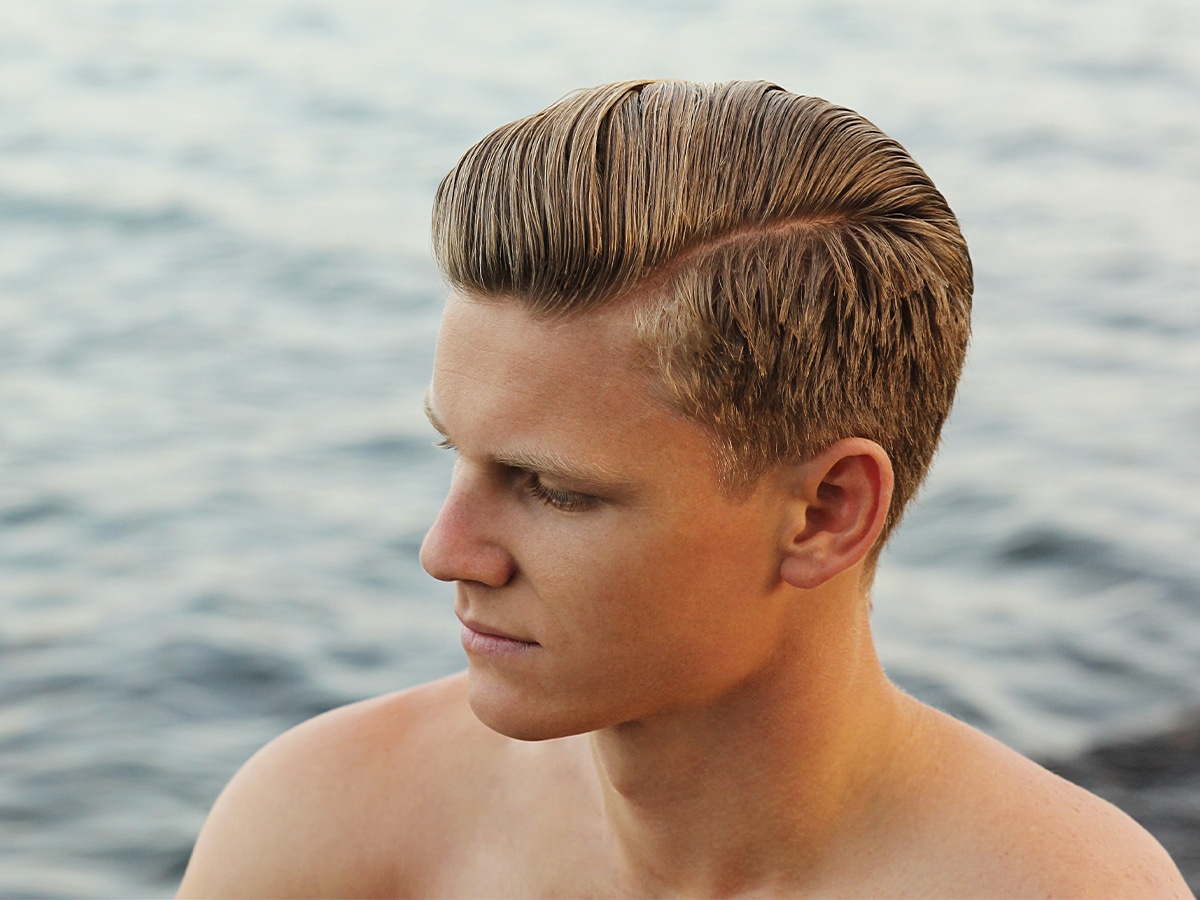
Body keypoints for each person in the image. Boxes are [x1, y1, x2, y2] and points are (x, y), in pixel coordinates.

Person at [177, 79, 1190, 898]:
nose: (448, 550)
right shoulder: (328, 828)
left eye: (555, 491)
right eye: (457, 454)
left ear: (826, 513)